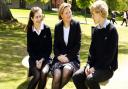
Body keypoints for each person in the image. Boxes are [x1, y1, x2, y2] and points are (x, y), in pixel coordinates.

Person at [73, 0, 118, 89]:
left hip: (107, 68)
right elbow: (91, 51)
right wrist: (89, 65)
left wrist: (95, 68)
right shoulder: (96, 30)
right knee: (76, 77)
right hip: (94, 66)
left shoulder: (112, 30)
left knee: (90, 79)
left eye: (93, 14)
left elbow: (109, 56)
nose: (92, 16)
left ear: (100, 13)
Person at [51, 3, 81, 89]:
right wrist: (59, 56)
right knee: (57, 76)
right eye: (66, 13)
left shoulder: (76, 25)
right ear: (61, 15)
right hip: (59, 59)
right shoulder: (58, 27)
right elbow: (55, 45)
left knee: (66, 71)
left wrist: (68, 58)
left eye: (70, 12)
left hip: (72, 59)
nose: (69, 14)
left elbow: (77, 45)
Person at [26, 7, 52, 89]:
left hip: (45, 58)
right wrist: (37, 61)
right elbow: (30, 49)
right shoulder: (30, 30)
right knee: (37, 75)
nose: (39, 19)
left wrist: (41, 60)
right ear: (32, 18)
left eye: (40, 16)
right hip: (34, 59)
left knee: (44, 73)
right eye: (36, 17)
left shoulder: (47, 29)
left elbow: (49, 48)